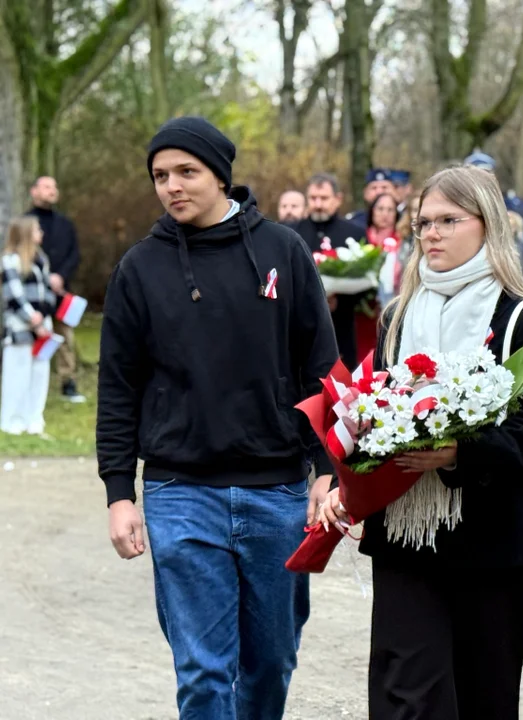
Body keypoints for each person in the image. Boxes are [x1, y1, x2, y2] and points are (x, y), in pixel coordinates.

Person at [96, 116, 339, 720]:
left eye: (187, 172)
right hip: (180, 492)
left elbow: (320, 367)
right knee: (204, 672)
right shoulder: (139, 268)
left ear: (221, 176)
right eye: (160, 176)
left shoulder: (283, 250)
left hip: (278, 492)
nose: (172, 186)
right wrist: (119, 493)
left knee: (271, 663)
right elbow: (118, 388)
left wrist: (328, 468)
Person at [317, 165, 523, 720]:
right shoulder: (398, 315)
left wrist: (460, 452)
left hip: (490, 535)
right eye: (423, 222)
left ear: (487, 223)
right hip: (405, 533)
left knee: (484, 695)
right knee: (406, 693)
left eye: (448, 220)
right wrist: (347, 478)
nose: (431, 233)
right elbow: (371, 408)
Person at [293, 172, 364, 368]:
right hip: (300, 326)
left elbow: (367, 284)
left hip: (341, 325)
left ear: (337, 199)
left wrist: (339, 298)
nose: (318, 204)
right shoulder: (292, 233)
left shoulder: (355, 233)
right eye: (313, 198)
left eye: (324, 198)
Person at [26, 176, 84, 403]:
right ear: (34, 191)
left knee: (64, 338)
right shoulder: (25, 223)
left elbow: (74, 254)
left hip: (60, 292)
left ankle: (68, 383)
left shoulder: (65, 224)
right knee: (31, 336)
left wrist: (61, 276)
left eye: (55, 187)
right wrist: (43, 277)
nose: (53, 190)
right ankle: (28, 381)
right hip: (32, 294)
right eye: (47, 187)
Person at [1, 215, 56, 435]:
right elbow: (14, 295)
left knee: (40, 373)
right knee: (17, 374)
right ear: (25, 234)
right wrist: (33, 319)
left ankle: (34, 419)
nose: (40, 233)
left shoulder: (41, 260)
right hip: (20, 329)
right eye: (36, 230)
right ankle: (13, 420)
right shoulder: (9, 260)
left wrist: (43, 318)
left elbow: (48, 292)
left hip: (44, 329)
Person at [356, 192, 402, 360]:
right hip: (364, 310)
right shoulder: (360, 238)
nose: (385, 214)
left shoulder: (403, 240)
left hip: (393, 307)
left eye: (390, 210)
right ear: (372, 211)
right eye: (380, 209)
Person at [464, 149, 523, 242]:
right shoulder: (457, 206)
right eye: (474, 175)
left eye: (485, 174)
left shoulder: (513, 206)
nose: (480, 180)